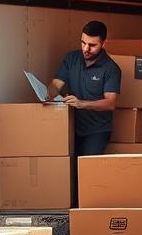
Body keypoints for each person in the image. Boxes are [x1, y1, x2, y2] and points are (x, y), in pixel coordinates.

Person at [46, 20, 121, 156]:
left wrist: (81, 103)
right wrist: (49, 93)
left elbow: (110, 103)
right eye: (83, 43)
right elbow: (56, 84)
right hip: (71, 126)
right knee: (67, 168)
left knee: (86, 169)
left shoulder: (111, 69)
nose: (86, 48)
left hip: (97, 131)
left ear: (104, 43)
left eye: (92, 45)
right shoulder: (71, 59)